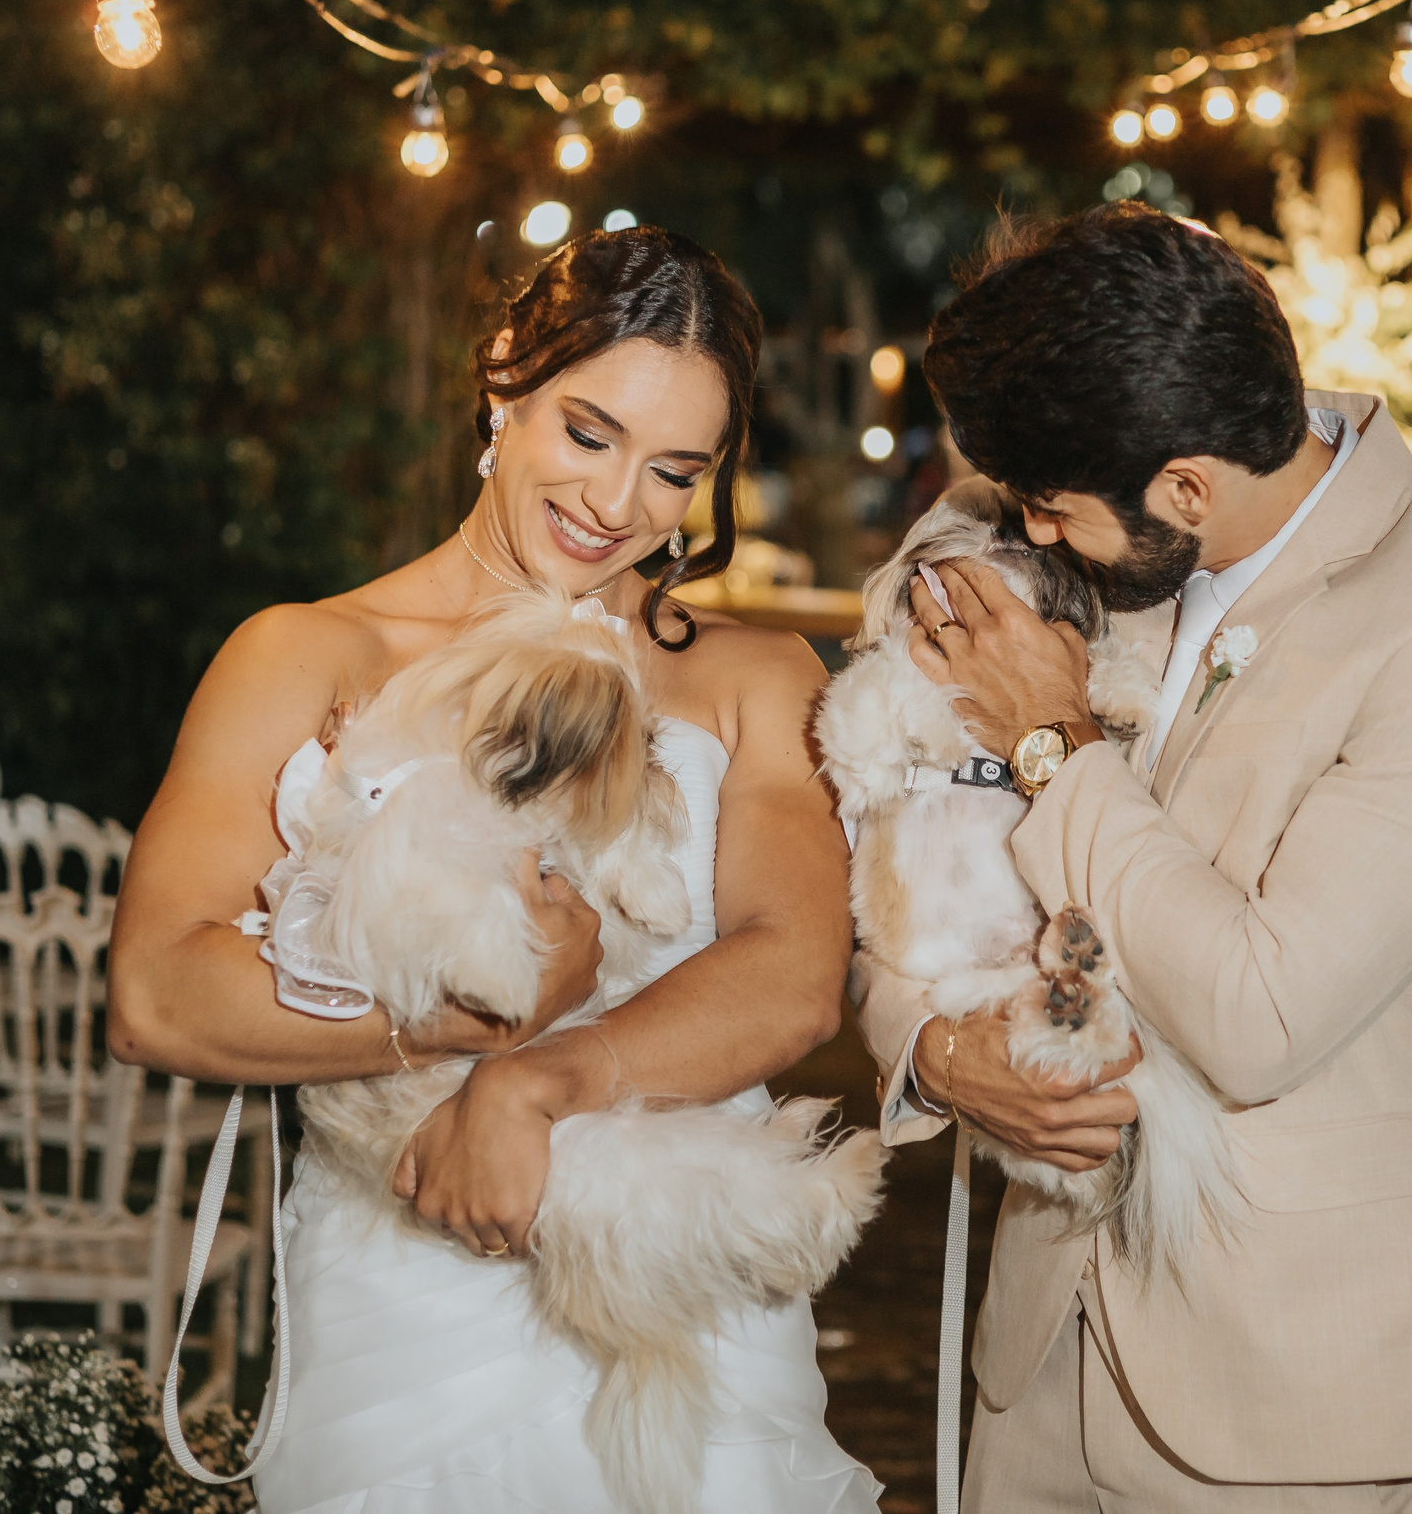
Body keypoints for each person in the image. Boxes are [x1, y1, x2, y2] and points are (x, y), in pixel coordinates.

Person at [109, 226, 880, 1513]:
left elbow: (795, 977)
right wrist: (471, 1022)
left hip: (683, 1295)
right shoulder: (309, 653)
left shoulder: (755, 678)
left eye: (673, 471)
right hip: (398, 1291)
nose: (617, 504)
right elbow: (156, 996)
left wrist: (530, 1084)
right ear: (506, 375)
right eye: (589, 433)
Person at [849, 201, 1412, 1512]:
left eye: (1054, 509)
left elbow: (1258, 1013)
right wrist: (940, 1053)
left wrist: (1054, 744)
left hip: (1295, 1401)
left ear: (1187, 485)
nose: (1034, 534)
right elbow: (903, 865)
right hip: (1037, 1364)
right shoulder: (1075, 557)